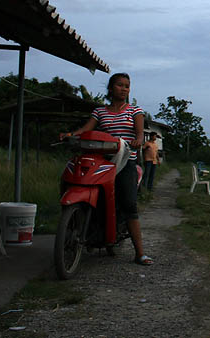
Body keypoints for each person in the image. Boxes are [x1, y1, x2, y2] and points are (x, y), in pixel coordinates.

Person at [60, 73, 154, 266]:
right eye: (120, 85)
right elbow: (86, 130)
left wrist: (137, 140)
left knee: (129, 204)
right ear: (110, 89)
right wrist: (70, 135)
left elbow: (138, 134)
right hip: (102, 161)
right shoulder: (99, 112)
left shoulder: (135, 111)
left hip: (125, 161)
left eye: (127, 86)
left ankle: (140, 253)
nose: (124, 89)